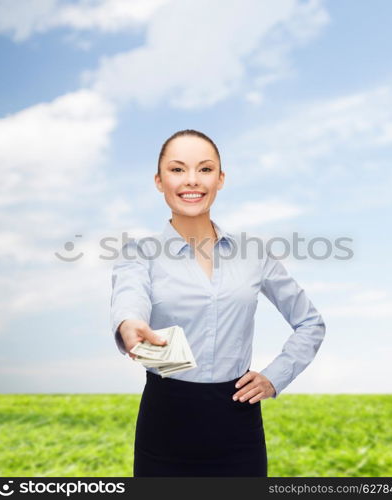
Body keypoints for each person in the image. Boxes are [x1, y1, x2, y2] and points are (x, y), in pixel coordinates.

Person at [110, 129, 326, 477]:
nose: (191, 180)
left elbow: (311, 323)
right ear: (159, 180)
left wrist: (274, 377)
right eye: (178, 170)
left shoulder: (254, 254)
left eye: (205, 169)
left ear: (221, 179)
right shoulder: (139, 254)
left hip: (238, 422)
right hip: (165, 420)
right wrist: (129, 324)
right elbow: (129, 297)